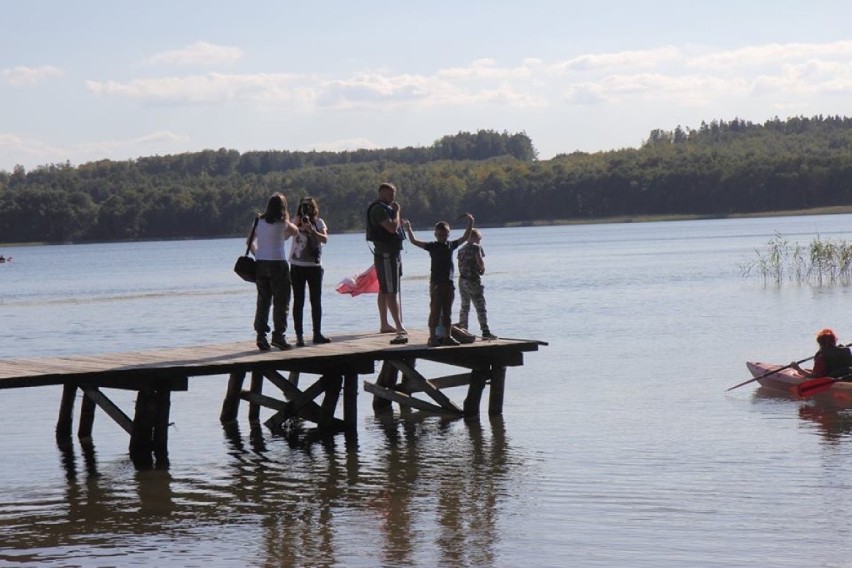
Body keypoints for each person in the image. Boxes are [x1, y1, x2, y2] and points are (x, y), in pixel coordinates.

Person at [403, 214, 474, 346]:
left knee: (447, 312)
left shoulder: (451, 245)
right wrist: (408, 228)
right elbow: (414, 241)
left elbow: (465, 237)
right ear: (435, 234)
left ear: (448, 234)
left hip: (449, 284)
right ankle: (432, 337)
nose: (442, 237)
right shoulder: (432, 246)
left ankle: (447, 337)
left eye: (445, 234)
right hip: (436, 284)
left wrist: (471, 222)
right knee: (435, 311)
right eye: (439, 234)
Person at [248, 193, 299, 351]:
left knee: (263, 300)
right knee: (281, 301)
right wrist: (288, 220)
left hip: (261, 264)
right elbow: (296, 231)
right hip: (278, 264)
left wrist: (258, 255)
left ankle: (261, 335)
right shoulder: (283, 223)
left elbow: (249, 242)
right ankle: (278, 336)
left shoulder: (258, 221)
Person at [367, 182, 406, 338]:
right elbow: (391, 228)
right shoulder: (378, 209)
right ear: (382, 193)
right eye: (390, 195)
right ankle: (399, 325)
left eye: (393, 195)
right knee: (390, 290)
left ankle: (384, 324)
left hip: (391, 253)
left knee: (384, 289)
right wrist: (397, 213)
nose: (392, 198)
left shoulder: (385, 208)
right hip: (386, 255)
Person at [289, 196, 330, 346]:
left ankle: (317, 334)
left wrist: (312, 231)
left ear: (314, 208)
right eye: (303, 207)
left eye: (309, 207)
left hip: (314, 267)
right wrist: (297, 224)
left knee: (316, 301)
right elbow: (286, 232)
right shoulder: (295, 221)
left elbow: (325, 239)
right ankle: (299, 336)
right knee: (298, 301)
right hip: (297, 266)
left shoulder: (319, 222)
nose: (306, 210)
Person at [456, 228, 496, 339]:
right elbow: (479, 261)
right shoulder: (476, 248)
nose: (480, 240)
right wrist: (482, 269)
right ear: (473, 237)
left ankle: (463, 331)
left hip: (462, 280)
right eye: (479, 238)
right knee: (480, 306)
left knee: (465, 306)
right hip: (473, 280)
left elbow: (459, 265)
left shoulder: (461, 249)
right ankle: (485, 331)